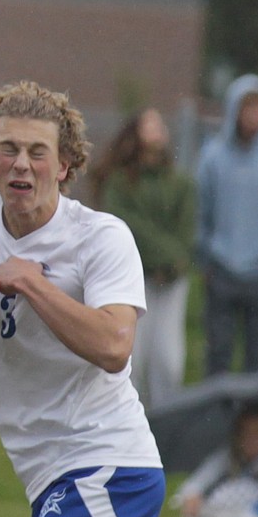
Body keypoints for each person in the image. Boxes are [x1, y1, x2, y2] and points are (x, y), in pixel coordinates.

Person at [0, 81, 165, 517]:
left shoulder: (101, 238)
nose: (22, 164)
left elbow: (115, 346)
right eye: (9, 150)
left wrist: (35, 285)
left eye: (38, 152)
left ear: (63, 167)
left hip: (107, 461)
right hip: (44, 475)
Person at [89, 108, 196, 408]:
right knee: (132, 355)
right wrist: (163, 254)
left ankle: (164, 422)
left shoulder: (181, 184)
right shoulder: (119, 183)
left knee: (168, 360)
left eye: (160, 124)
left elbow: (187, 232)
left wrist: (173, 263)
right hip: (133, 281)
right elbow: (127, 226)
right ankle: (128, 417)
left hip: (172, 282)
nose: (157, 129)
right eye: (149, 124)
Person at [195, 74, 258, 377]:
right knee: (218, 356)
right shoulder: (212, 157)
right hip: (221, 271)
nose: (253, 117)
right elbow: (201, 210)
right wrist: (205, 258)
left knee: (257, 360)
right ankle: (217, 422)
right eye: (246, 109)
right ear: (234, 111)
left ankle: (253, 423)